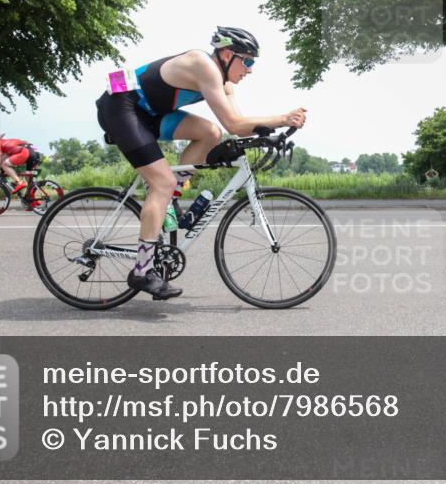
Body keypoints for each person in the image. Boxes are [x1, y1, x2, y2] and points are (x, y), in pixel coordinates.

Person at [96, 26, 307, 301]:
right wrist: (282, 118)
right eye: (248, 61)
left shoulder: (226, 84)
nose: (251, 69)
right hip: (120, 106)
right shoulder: (202, 64)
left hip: (147, 113)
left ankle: (168, 202)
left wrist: (271, 133)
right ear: (228, 54)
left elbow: (237, 127)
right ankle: (142, 270)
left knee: (210, 133)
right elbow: (234, 123)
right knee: (162, 183)